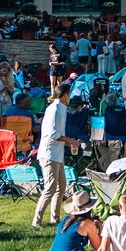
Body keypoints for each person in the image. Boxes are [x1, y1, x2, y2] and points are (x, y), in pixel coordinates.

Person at [32, 75, 74, 230]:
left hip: (57, 153)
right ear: (64, 95)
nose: (70, 97)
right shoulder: (55, 110)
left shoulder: (60, 108)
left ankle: (54, 218)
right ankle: (36, 221)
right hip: (50, 153)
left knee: (61, 186)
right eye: (69, 94)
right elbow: (53, 134)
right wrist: (70, 141)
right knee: (50, 188)